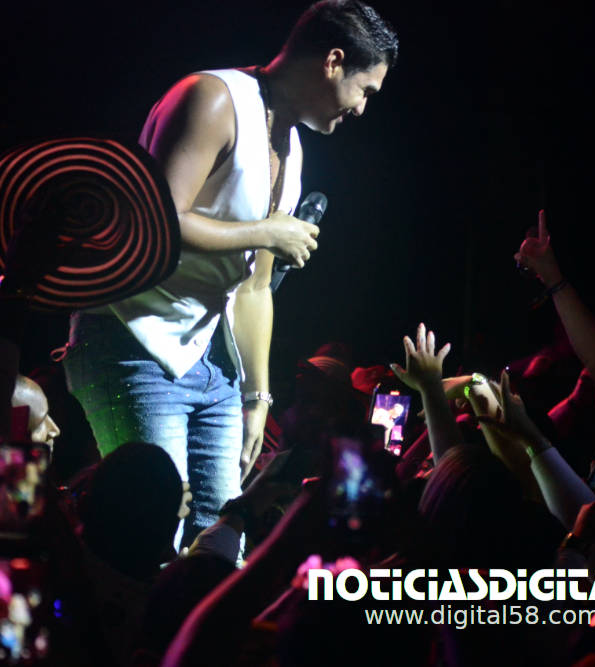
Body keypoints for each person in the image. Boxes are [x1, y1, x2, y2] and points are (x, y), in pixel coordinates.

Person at [62, 0, 398, 545]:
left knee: (221, 535)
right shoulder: (213, 97)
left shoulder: (291, 145)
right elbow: (157, 218)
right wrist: (267, 232)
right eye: (366, 91)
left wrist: (257, 398)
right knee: (154, 538)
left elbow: (256, 288)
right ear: (333, 61)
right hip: (131, 338)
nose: (362, 109)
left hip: (210, 360)